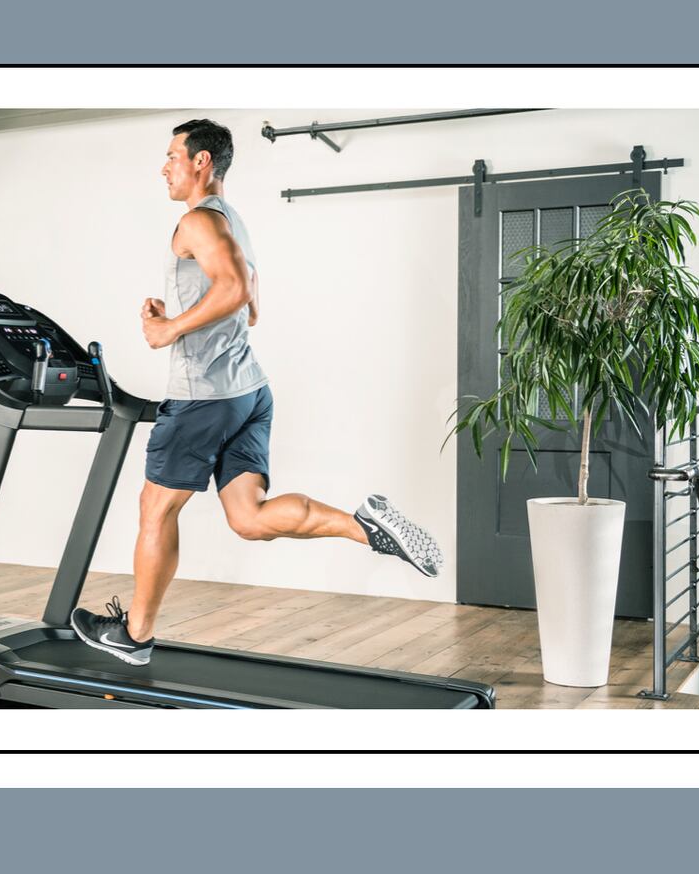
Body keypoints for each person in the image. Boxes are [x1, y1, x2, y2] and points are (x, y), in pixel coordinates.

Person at [69, 119, 445, 666]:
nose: (164, 166)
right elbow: (250, 307)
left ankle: (136, 636)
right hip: (247, 391)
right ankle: (365, 526)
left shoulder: (196, 221)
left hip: (202, 399)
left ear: (201, 161)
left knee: (156, 510)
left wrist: (169, 329)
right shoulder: (233, 223)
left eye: (173, 155)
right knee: (248, 517)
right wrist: (182, 316)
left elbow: (238, 292)